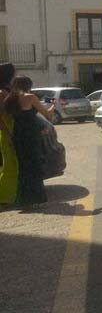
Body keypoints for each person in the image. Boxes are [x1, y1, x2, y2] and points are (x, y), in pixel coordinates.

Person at [5, 75, 54, 206]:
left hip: (18, 134)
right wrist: (52, 106)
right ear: (28, 85)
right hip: (31, 135)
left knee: (23, 167)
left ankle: (23, 200)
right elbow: (46, 114)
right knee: (35, 165)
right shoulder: (30, 97)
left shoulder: (10, 99)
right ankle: (37, 198)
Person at [0, 63, 18, 205]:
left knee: (13, 166)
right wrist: (7, 134)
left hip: (12, 131)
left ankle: (10, 196)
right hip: (7, 133)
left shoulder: (10, 90)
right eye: (14, 72)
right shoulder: (2, 93)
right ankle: (4, 197)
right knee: (8, 167)